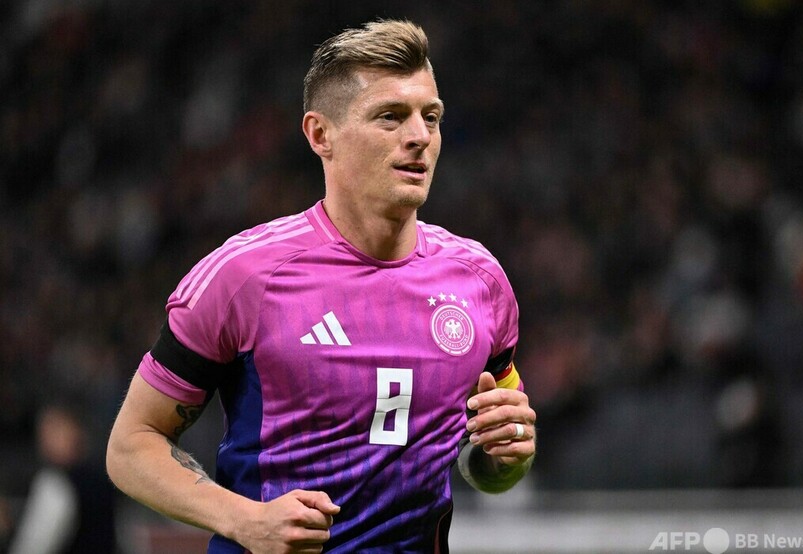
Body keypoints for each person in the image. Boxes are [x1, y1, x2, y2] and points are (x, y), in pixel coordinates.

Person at [106, 19, 536, 553]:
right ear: (319, 135)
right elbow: (131, 446)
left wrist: (509, 455)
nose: (419, 137)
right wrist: (245, 520)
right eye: (390, 116)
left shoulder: (480, 282)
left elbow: (490, 466)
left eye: (431, 117)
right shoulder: (245, 276)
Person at [11, 401, 117, 554]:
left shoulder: (55, 482)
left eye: (55, 430)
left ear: (77, 432)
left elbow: (36, 544)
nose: (45, 439)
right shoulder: (106, 477)